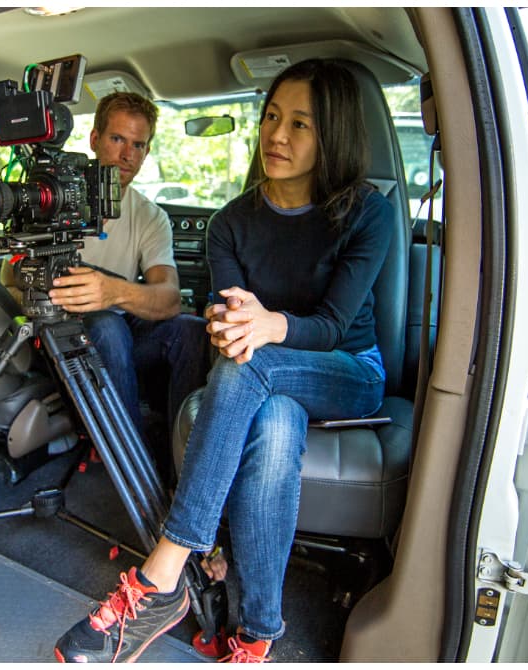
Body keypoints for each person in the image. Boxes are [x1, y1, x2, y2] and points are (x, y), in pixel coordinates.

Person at [53, 59, 394, 663]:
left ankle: (162, 575)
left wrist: (265, 327)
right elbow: (215, 311)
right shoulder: (230, 222)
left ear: (333, 134)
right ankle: (259, 631)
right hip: (269, 376)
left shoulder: (367, 211)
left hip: (345, 368)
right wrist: (223, 322)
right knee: (274, 420)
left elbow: (336, 325)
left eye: (300, 124)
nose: (276, 135)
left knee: (249, 364)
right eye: (270, 117)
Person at [0, 91, 209, 472]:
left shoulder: (149, 217)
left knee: (191, 331)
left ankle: (186, 457)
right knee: (107, 326)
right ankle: (133, 461)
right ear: (95, 139)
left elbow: (169, 298)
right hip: (53, 337)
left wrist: (113, 290)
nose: (126, 154)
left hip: (119, 331)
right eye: (117, 139)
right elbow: (9, 279)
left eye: (138, 145)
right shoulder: (49, 196)